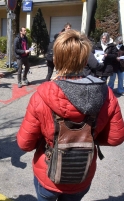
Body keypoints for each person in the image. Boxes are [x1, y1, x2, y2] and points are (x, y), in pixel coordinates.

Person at [17, 30, 124, 201]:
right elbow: (115, 138)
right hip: (82, 174)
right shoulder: (106, 93)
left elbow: (24, 143)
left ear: (57, 58)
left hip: (47, 173)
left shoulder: (43, 94)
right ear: (85, 57)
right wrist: (89, 138)